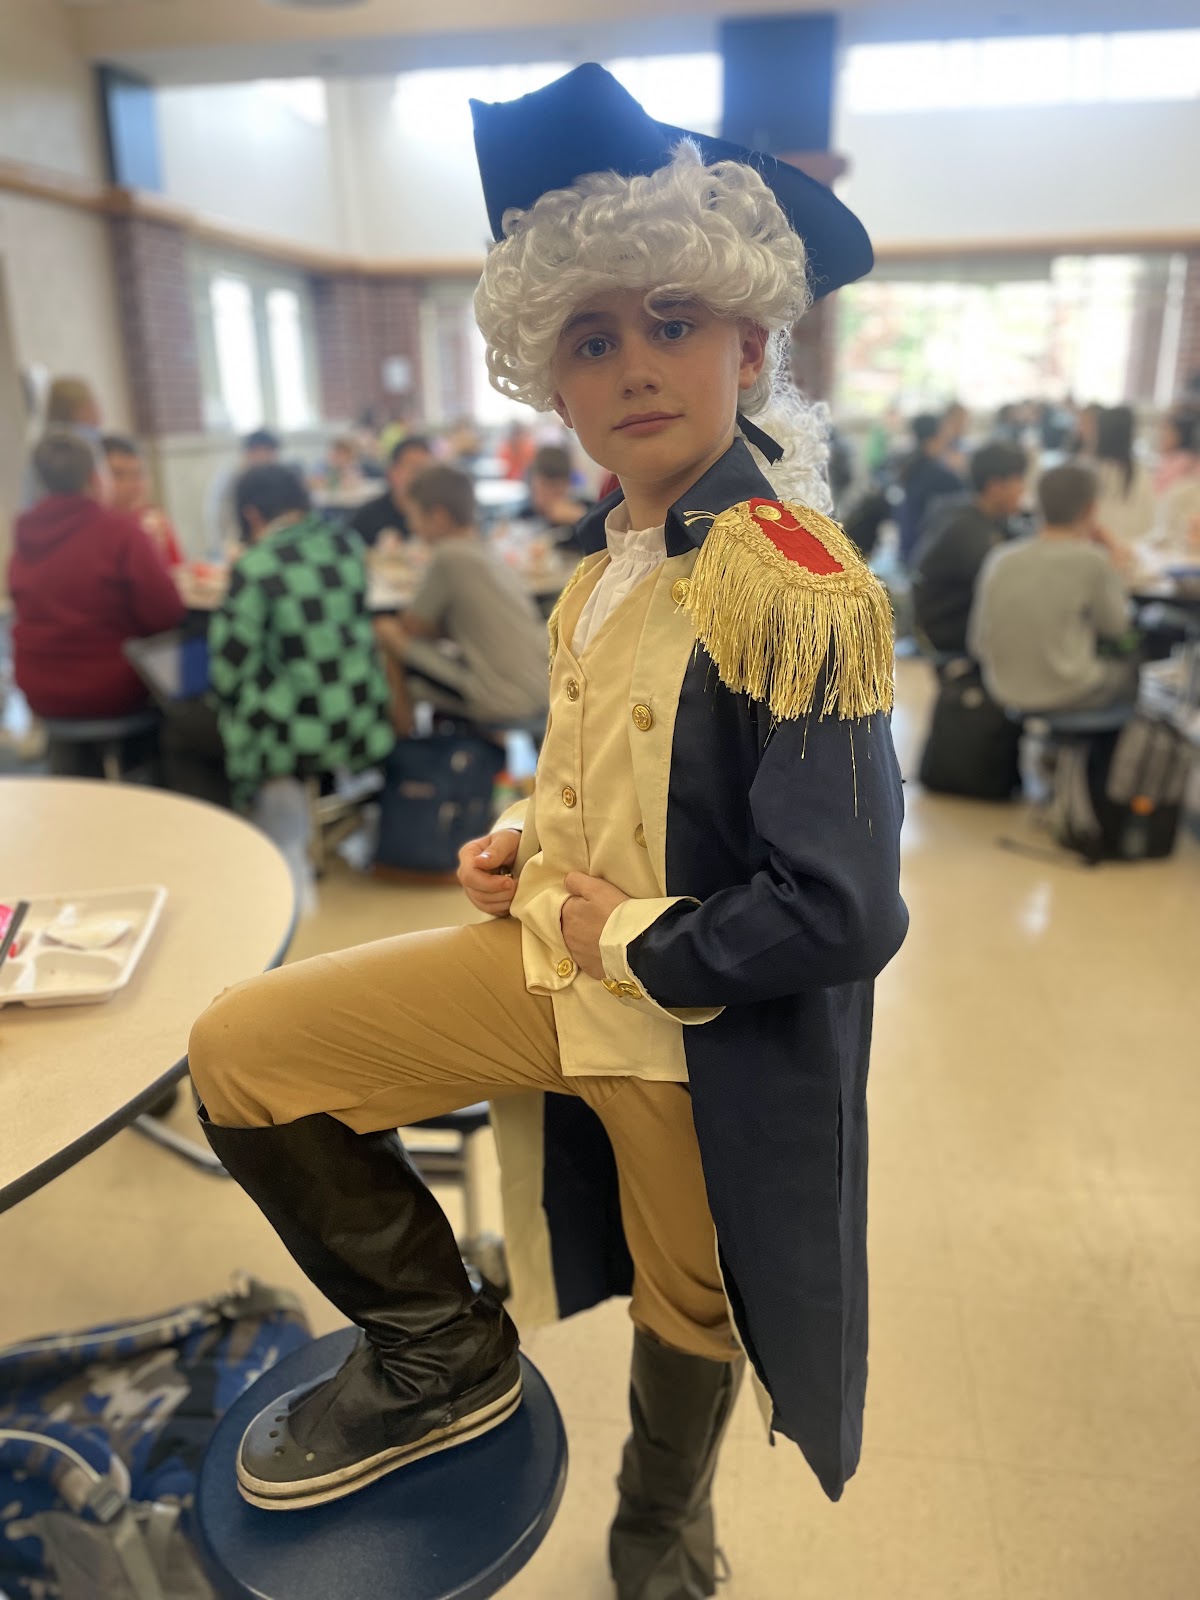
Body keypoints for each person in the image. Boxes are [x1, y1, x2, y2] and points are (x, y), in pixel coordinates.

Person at [187, 64, 906, 1599]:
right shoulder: (597, 574)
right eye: (593, 339)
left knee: (691, 1304)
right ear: (551, 382)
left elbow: (846, 913)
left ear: (750, 338)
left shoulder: (797, 578)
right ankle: (443, 1351)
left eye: (671, 320)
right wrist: (530, 836)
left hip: (694, 1034)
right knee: (242, 1053)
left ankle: (658, 1522)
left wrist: (621, 931)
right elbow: (625, 774)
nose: (636, 366)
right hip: (546, 976)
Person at [206, 465, 395, 895]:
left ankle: (234, 840)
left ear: (251, 515)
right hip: (361, 708)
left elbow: (230, 663)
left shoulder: (256, 566)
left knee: (195, 722)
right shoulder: (345, 543)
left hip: (298, 729)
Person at [7, 429, 185, 735]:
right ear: (96, 478)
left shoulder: (24, 537)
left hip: (37, 686)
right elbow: (166, 615)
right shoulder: (120, 532)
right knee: (193, 675)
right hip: (108, 687)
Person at [372, 464, 549, 733]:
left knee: (386, 629)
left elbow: (412, 625)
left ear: (439, 517)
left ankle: (401, 746)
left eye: (415, 516)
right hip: (542, 689)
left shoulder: (448, 556)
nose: (411, 525)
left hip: (503, 698)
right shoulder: (487, 549)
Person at [969, 463, 1137, 713]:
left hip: (1001, 688)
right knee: (1130, 672)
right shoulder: (1091, 560)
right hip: (1068, 689)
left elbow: (977, 643)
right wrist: (1116, 563)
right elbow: (1116, 628)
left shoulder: (1000, 558)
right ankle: (1096, 751)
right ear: (1091, 509)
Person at [911, 441, 1028, 655]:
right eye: (1018, 482)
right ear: (996, 487)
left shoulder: (970, 512)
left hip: (958, 615)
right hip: (947, 629)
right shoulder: (966, 532)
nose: (1023, 491)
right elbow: (1007, 584)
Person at [102, 435, 184, 568]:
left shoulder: (156, 523)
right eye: (118, 475)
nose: (132, 484)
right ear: (98, 479)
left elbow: (178, 574)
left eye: (138, 474)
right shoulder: (94, 529)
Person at [20, 376, 103, 508]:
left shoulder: (41, 444)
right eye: (92, 404)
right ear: (80, 410)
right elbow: (102, 491)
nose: (99, 410)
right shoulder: (85, 439)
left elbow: (28, 499)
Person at [895, 411, 965, 565]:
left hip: (906, 548)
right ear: (937, 436)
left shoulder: (910, 464)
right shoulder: (940, 475)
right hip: (924, 553)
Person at [348, 436, 434, 548]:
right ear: (393, 472)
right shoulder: (367, 518)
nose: (422, 477)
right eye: (415, 469)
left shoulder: (438, 519)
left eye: (428, 470)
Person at [1088, 405, 1155, 548]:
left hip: (1098, 550)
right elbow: (1149, 521)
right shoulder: (1141, 472)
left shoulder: (1092, 472)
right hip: (1133, 549)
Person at [209, 429, 282, 552]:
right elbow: (219, 513)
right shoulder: (232, 475)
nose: (264, 456)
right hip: (239, 540)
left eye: (269, 451)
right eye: (260, 451)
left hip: (273, 539)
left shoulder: (280, 476)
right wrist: (225, 544)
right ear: (249, 452)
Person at [516, 442, 592, 545]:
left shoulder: (587, 510)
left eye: (556, 489)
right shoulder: (524, 516)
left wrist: (582, 519)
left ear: (567, 485)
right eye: (543, 486)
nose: (549, 495)